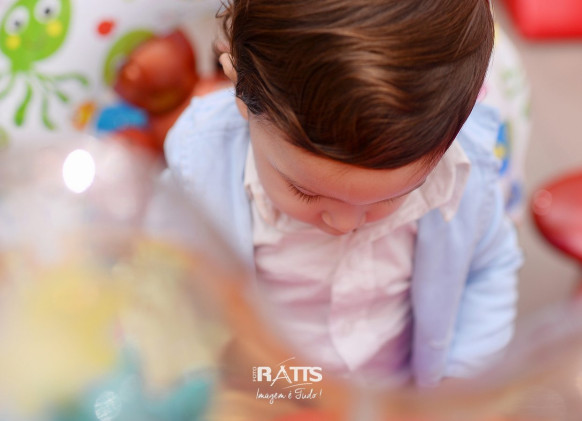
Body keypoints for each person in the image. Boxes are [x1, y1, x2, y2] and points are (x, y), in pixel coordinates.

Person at [164, 0, 523, 388]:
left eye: (391, 197)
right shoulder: (198, 172)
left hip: (397, 395)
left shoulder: (462, 177)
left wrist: (458, 380)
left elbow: (489, 269)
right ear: (239, 87)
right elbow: (166, 280)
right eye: (304, 191)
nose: (344, 223)